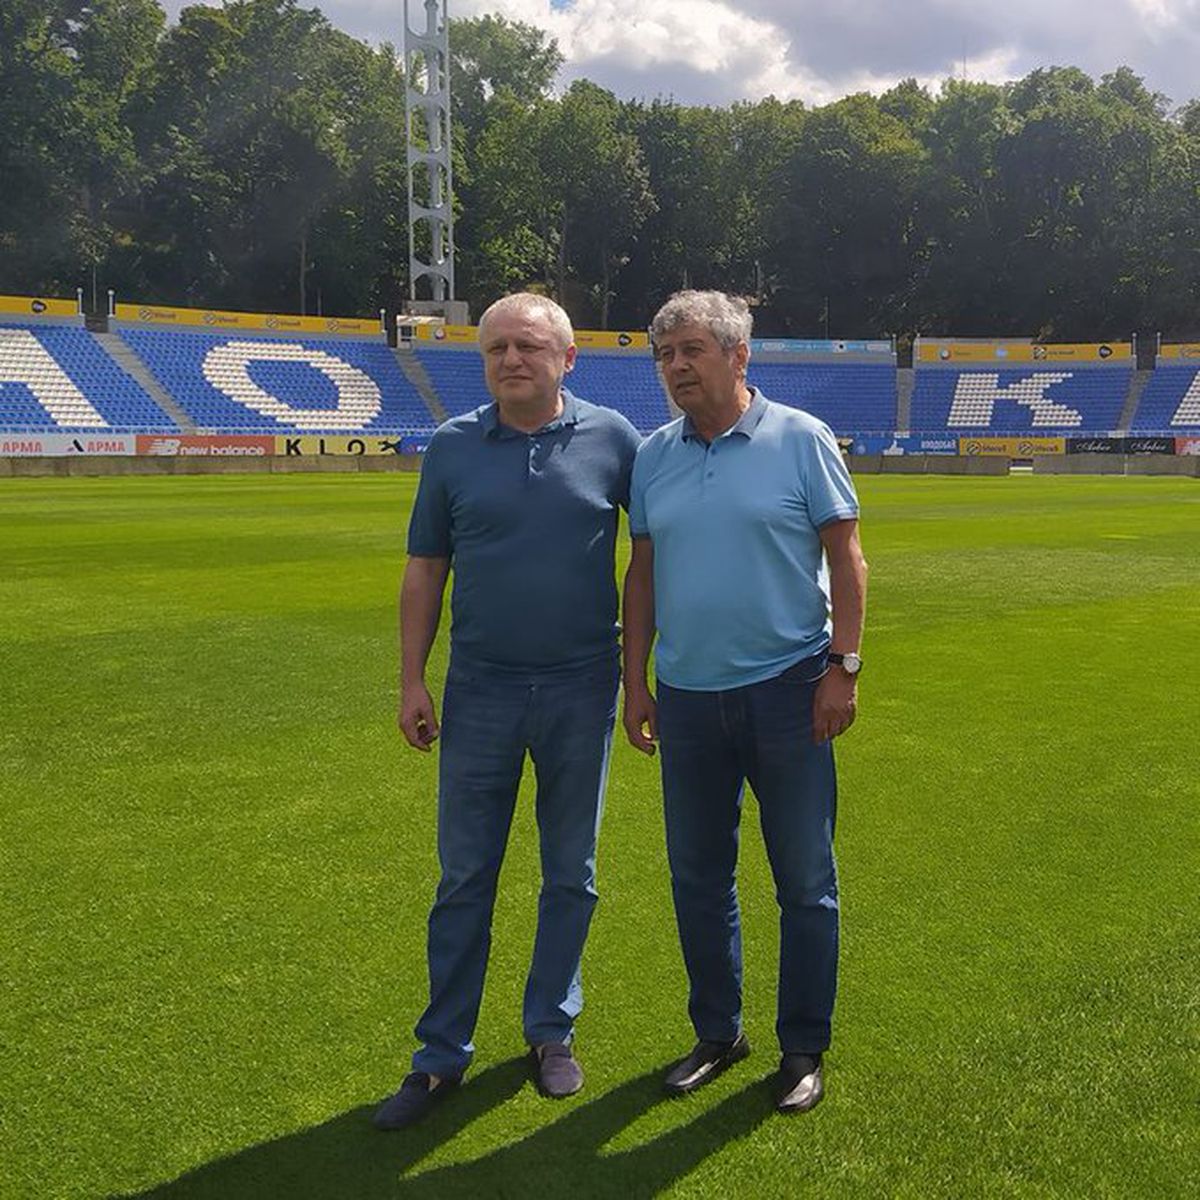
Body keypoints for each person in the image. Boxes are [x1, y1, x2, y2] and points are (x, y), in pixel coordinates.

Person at [375, 294, 642, 1130]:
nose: (510, 360)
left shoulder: (615, 440)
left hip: (581, 688)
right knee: (464, 877)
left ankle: (549, 1031)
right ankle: (439, 1055)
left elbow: (656, 554)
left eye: (528, 346)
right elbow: (426, 568)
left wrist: (640, 677)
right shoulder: (454, 446)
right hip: (480, 691)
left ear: (568, 359)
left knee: (572, 872)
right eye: (495, 349)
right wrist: (412, 680)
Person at [622, 290, 867, 1115]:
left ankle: (803, 1046)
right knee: (698, 876)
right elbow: (643, 576)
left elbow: (848, 557)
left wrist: (844, 668)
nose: (678, 366)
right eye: (666, 355)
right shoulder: (653, 455)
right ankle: (718, 1031)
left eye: (692, 349)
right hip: (689, 698)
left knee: (804, 879)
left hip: (790, 689)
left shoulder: (801, 439)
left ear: (738, 356)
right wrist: (635, 678)